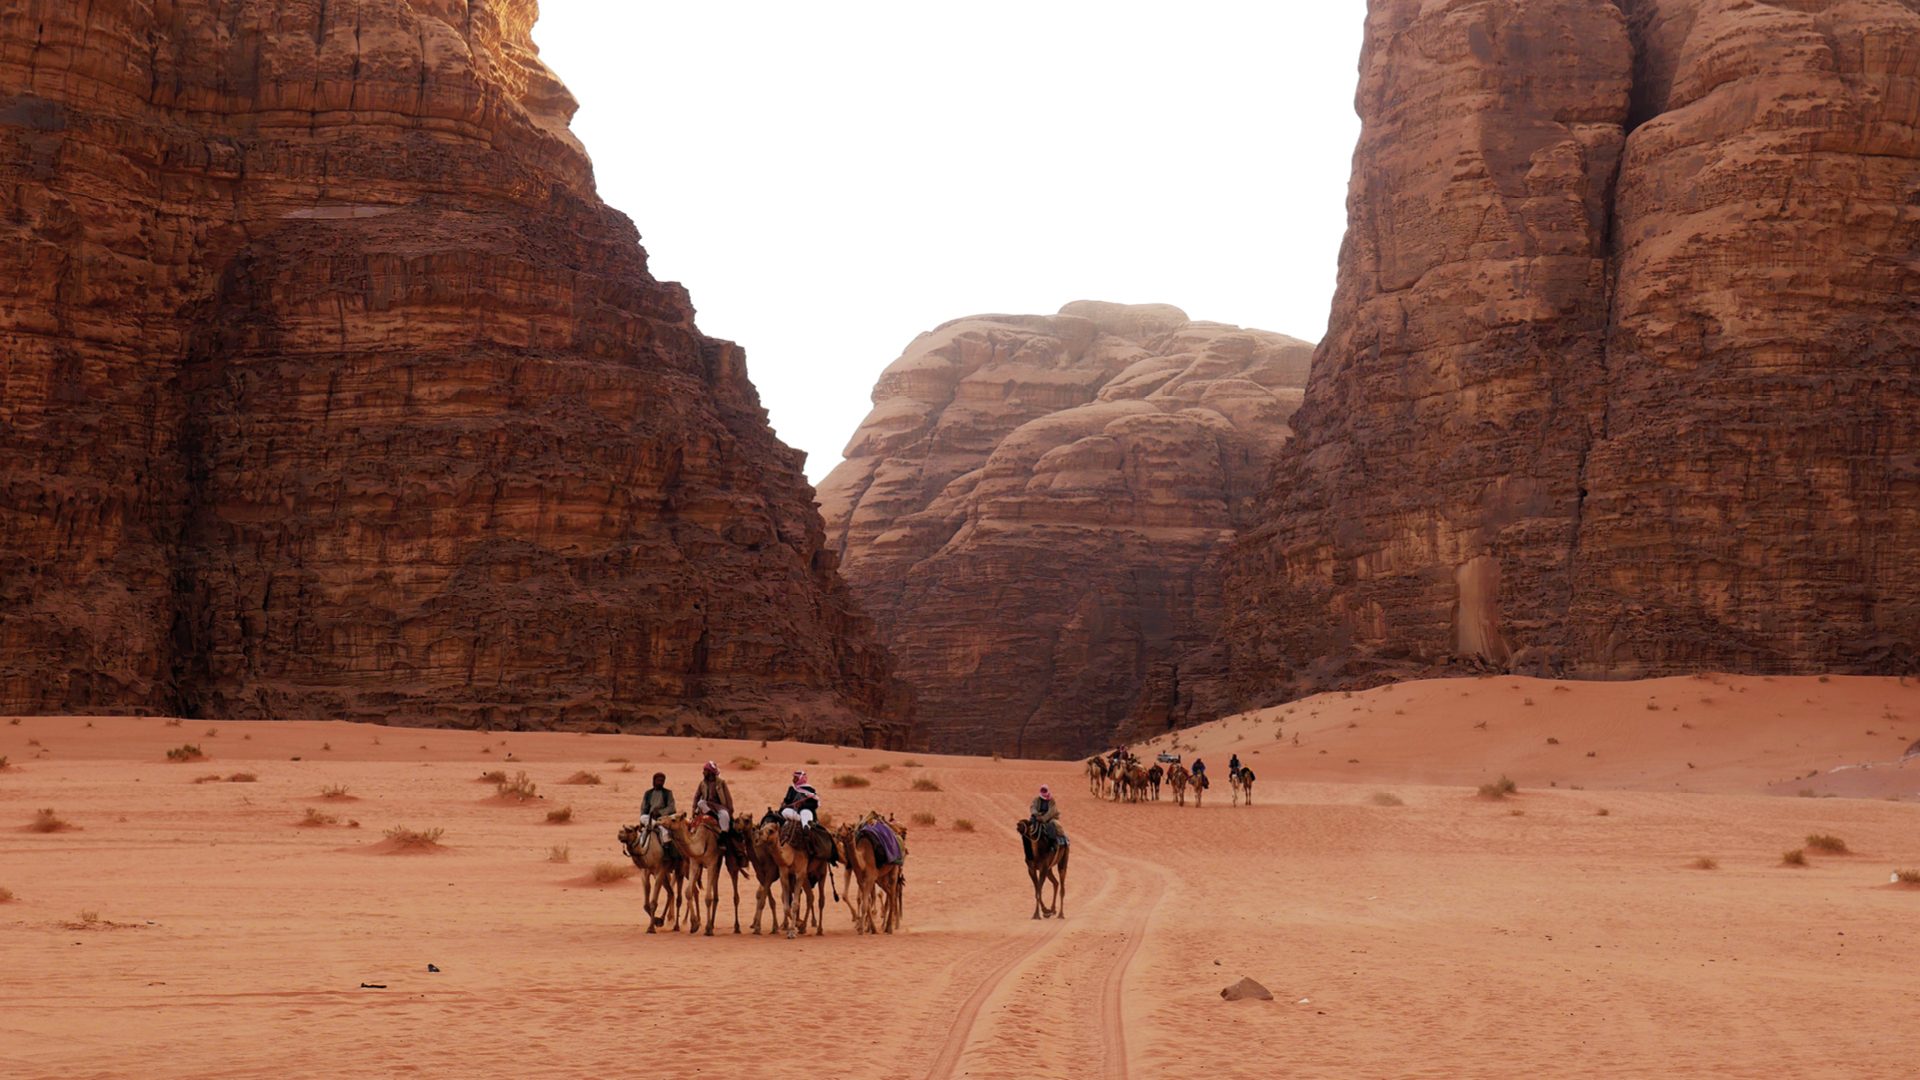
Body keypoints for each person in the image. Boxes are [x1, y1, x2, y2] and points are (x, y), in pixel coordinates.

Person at [638, 772, 678, 859]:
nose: (660, 782)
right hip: (650, 819)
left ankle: (667, 853)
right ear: (654, 781)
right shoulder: (648, 793)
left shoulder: (667, 793)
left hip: (663, 819)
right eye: (658, 780)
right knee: (642, 818)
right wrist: (642, 822)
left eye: (662, 781)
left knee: (665, 833)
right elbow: (644, 808)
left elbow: (672, 808)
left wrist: (660, 812)